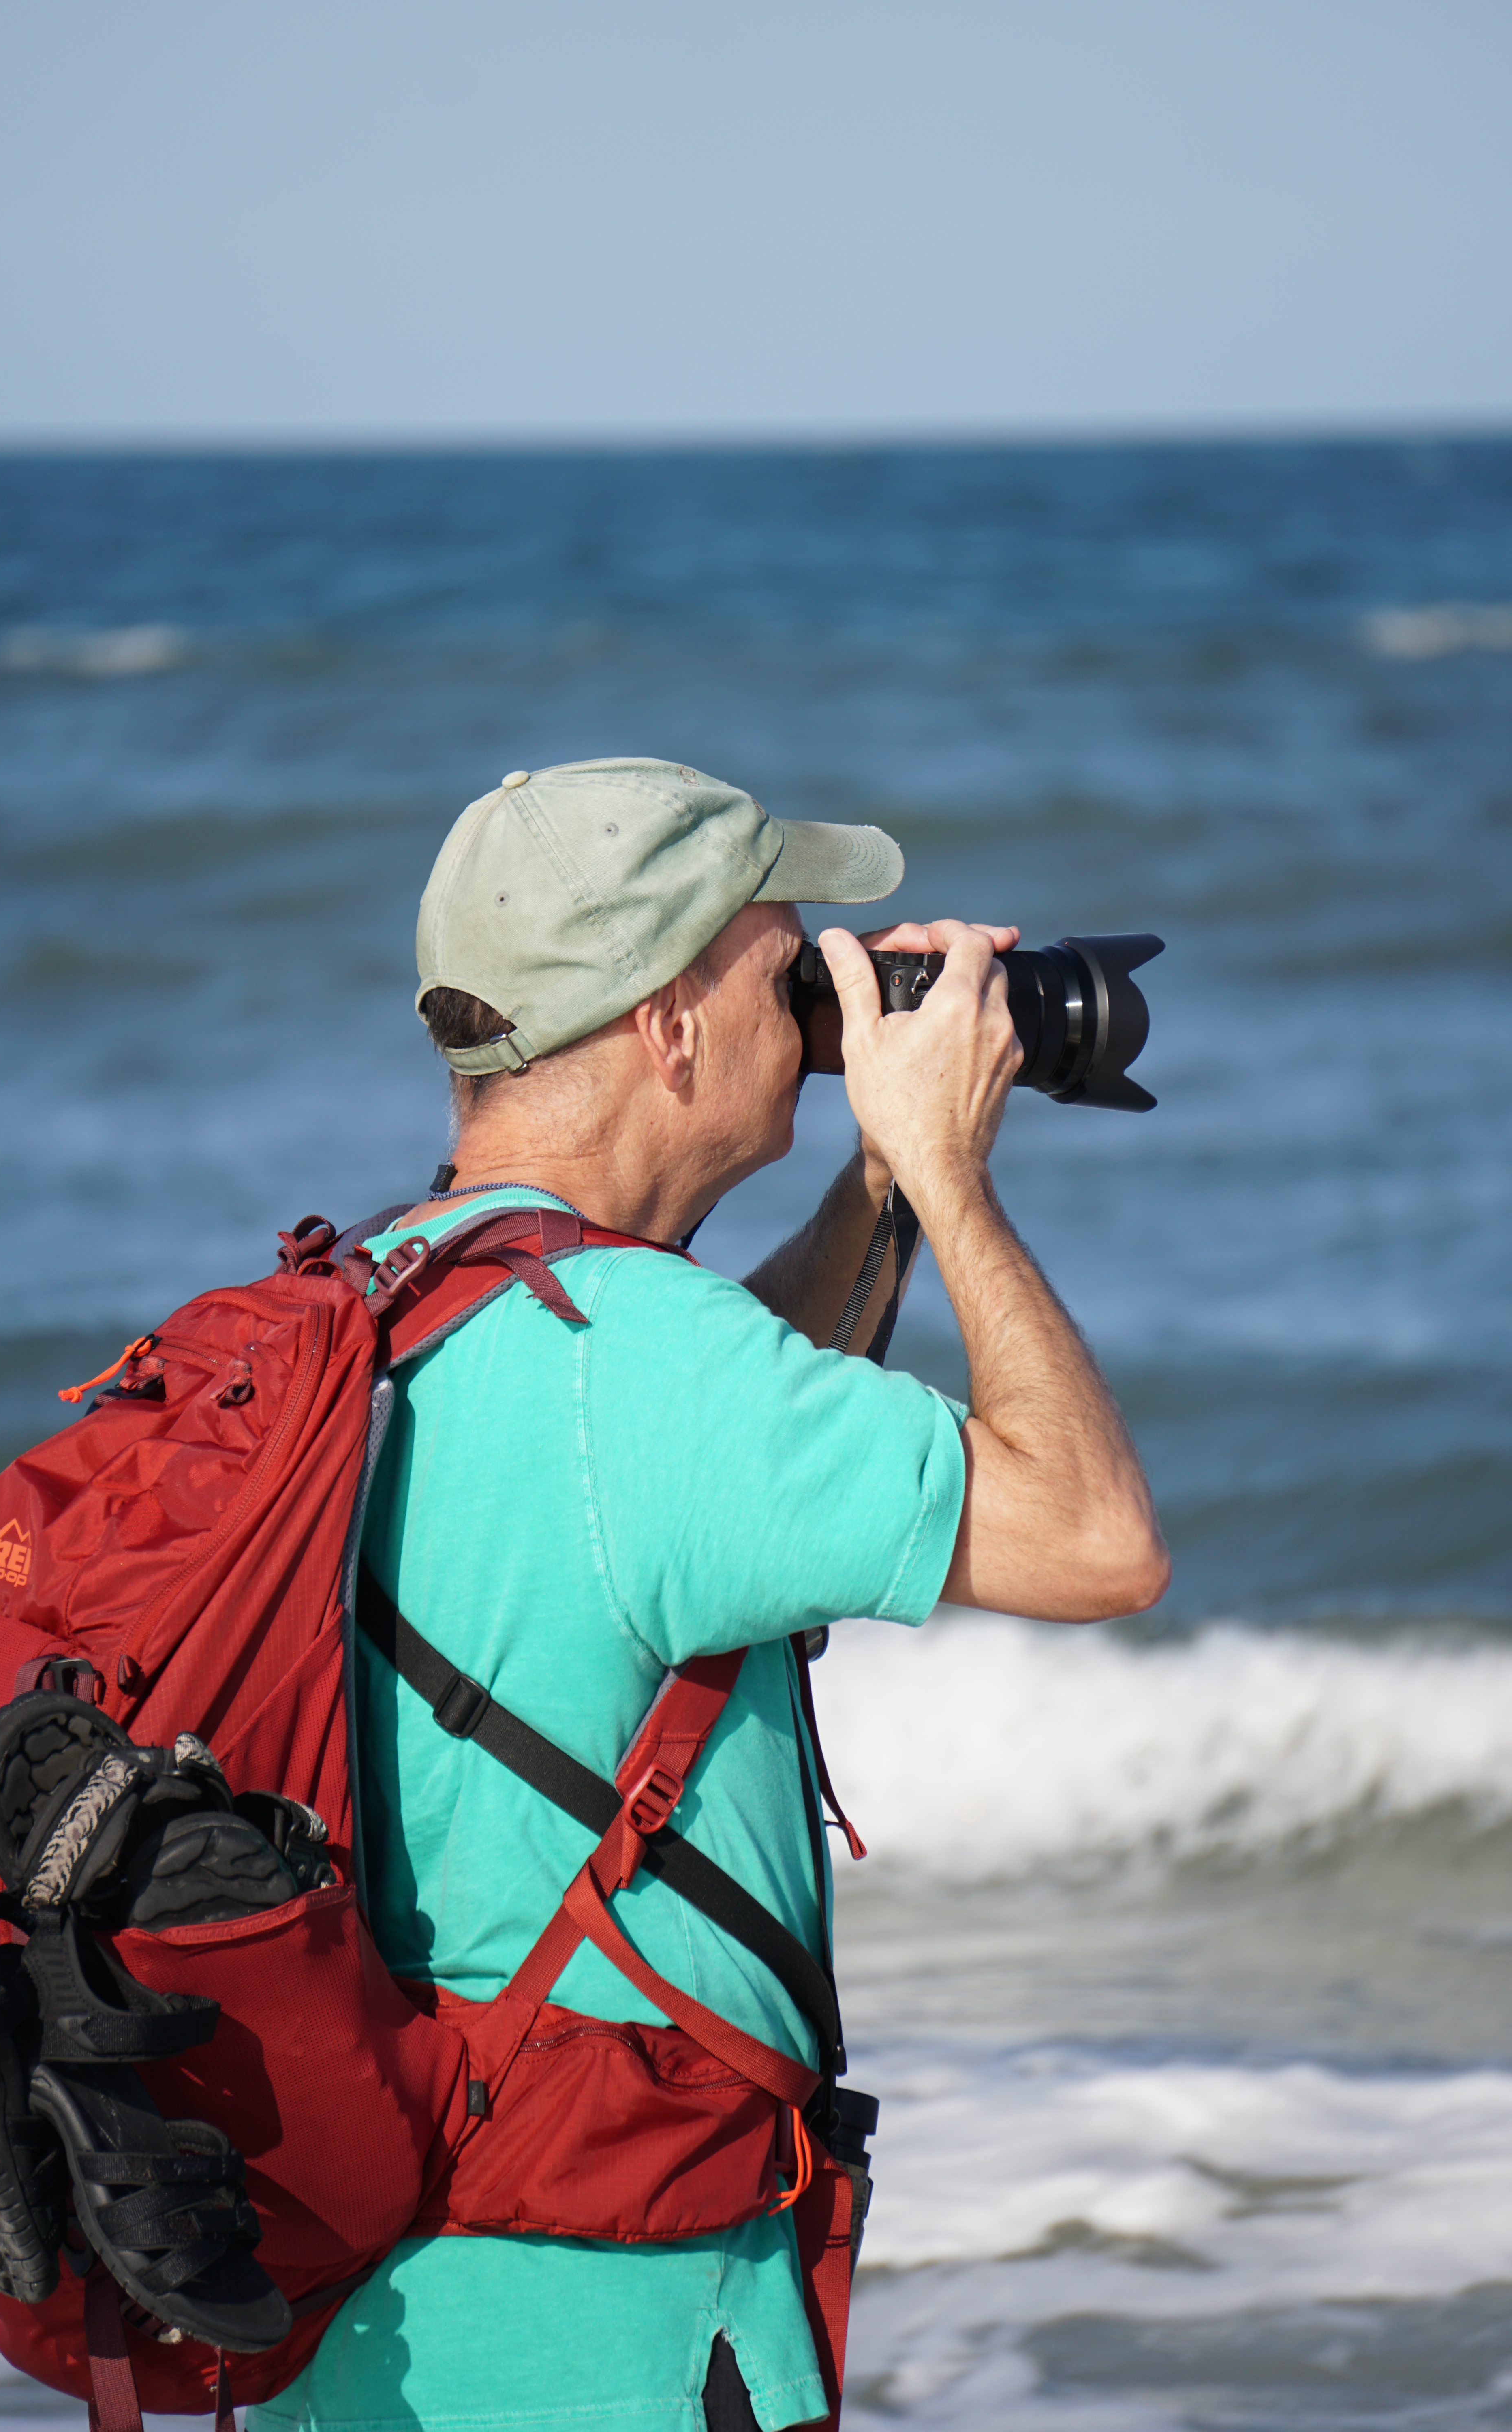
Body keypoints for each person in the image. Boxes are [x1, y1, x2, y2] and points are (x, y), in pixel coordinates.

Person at [252, 756, 1168, 2432]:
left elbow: (693, 1463)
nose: (821, 990)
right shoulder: (656, 1377)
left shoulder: (379, 1304)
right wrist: (950, 1171)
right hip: (624, 2336)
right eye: (784, 964)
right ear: (670, 1025)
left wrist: (874, 1183)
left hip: (368, 2333)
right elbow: (1099, 1541)